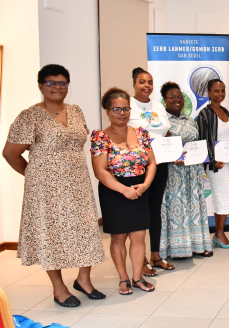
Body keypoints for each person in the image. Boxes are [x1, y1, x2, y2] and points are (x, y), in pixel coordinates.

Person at [2, 64, 105, 307]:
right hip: (45, 188)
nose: (57, 87)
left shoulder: (76, 111)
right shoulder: (29, 116)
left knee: (85, 228)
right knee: (52, 235)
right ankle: (59, 288)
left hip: (77, 181)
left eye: (62, 83)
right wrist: (32, 173)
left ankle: (84, 280)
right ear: (40, 86)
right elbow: (10, 153)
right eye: (51, 83)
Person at [91, 87, 156, 294]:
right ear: (107, 111)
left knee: (138, 235)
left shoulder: (141, 133)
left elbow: (152, 164)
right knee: (118, 237)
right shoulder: (100, 137)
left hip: (139, 187)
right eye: (116, 109)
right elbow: (100, 171)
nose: (122, 113)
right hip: (113, 190)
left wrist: (144, 185)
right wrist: (123, 190)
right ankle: (123, 278)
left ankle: (137, 277)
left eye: (125, 108)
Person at [159, 82, 213, 258]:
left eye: (180, 97)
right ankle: (176, 248)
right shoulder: (162, 121)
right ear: (165, 100)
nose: (177, 100)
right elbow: (160, 147)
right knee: (177, 207)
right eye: (172, 97)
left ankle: (198, 245)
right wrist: (175, 156)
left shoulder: (190, 119)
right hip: (173, 172)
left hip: (193, 171)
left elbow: (196, 144)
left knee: (194, 206)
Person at [128, 67, 174, 274]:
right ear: (134, 84)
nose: (146, 86)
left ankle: (156, 255)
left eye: (149, 82)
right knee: (140, 212)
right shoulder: (128, 105)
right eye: (142, 82)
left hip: (161, 163)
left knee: (155, 210)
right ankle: (142, 260)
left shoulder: (158, 106)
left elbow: (165, 131)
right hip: (138, 165)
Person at [196, 79, 229, 249]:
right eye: (216, 91)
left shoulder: (225, 111)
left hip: (227, 162)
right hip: (217, 164)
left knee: (226, 197)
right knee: (222, 197)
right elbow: (204, 140)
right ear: (208, 93)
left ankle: (219, 233)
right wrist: (213, 162)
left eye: (223, 91)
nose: (220, 94)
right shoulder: (205, 114)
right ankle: (219, 234)